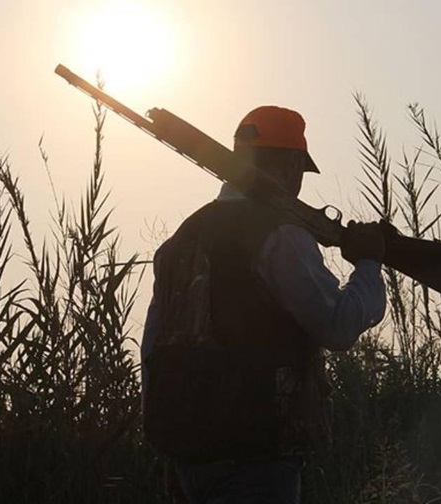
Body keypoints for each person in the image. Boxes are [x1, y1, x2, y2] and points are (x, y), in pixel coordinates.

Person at [141, 105, 386, 503]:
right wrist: (370, 264)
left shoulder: (180, 240)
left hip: (185, 457)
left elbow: (152, 349)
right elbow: (337, 326)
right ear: (291, 167)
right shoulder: (281, 235)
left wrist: (166, 439)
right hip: (256, 455)